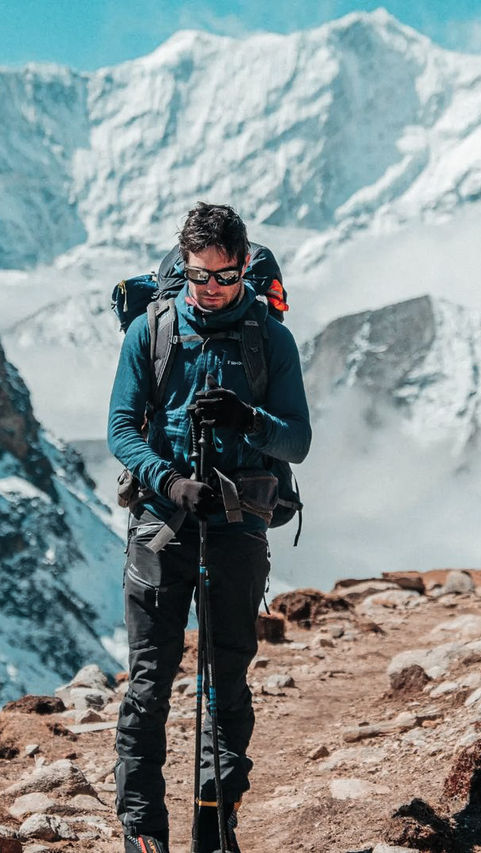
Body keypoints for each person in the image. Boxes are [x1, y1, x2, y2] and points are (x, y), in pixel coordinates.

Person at [108, 203, 312, 853]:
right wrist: (170, 482)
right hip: (162, 523)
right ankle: (143, 828)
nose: (210, 290)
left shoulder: (270, 340)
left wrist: (247, 416)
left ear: (245, 266)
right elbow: (120, 427)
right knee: (148, 682)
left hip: (237, 527)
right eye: (198, 276)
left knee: (226, 679)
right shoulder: (152, 330)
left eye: (224, 277)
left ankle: (213, 817)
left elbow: (299, 440)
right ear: (184, 266)